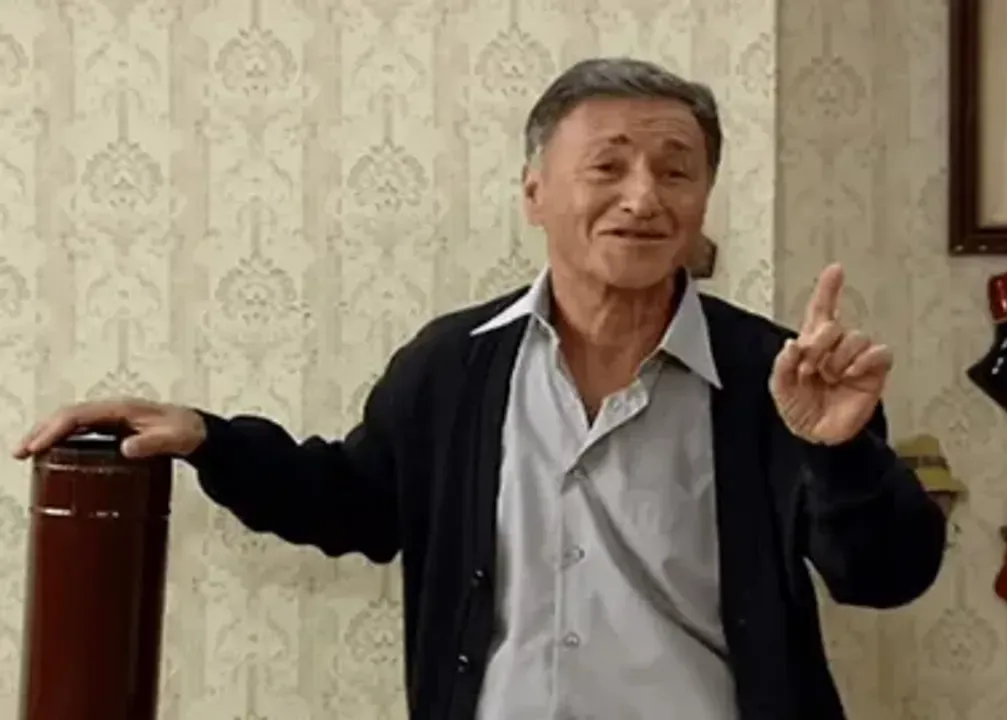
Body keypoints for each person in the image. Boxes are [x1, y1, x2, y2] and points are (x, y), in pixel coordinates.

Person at [13, 58, 946, 720]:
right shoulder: (454, 365)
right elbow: (354, 502)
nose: (643, 196)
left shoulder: (777, 372)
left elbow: (885, 577)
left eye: (676, 170)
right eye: (608, 165)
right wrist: (208, 438)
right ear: (535, 192)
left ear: (704, 197)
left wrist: (841, 453)